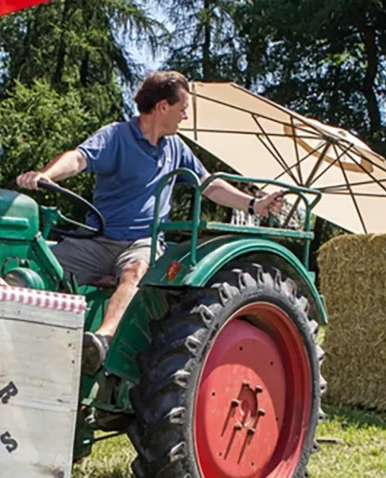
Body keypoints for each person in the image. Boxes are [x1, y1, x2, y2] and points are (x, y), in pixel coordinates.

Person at [17, 70, 283, 374]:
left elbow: (209, 185)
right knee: (38, 269)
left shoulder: (176, 149)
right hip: (98, 237)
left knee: (136, 270)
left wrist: (254, 204)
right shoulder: (116, 136)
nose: (185, 116)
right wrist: (46, 175)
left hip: (142, 241)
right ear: (162, 107)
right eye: (182, 108)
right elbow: (79, 158)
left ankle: (101, 342)